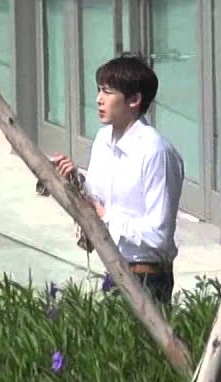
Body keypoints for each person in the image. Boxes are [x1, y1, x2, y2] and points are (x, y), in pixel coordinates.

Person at [51, 54, 185, 305]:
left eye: (108, 92)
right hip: (112, 268)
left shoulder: (156, 152)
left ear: (134, 100)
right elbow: (97, 198)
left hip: (147, 277)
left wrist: (106, 217)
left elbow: (159, 236)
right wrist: (75, 178)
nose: (98, 99)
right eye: (99, 90)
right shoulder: (103, 139)